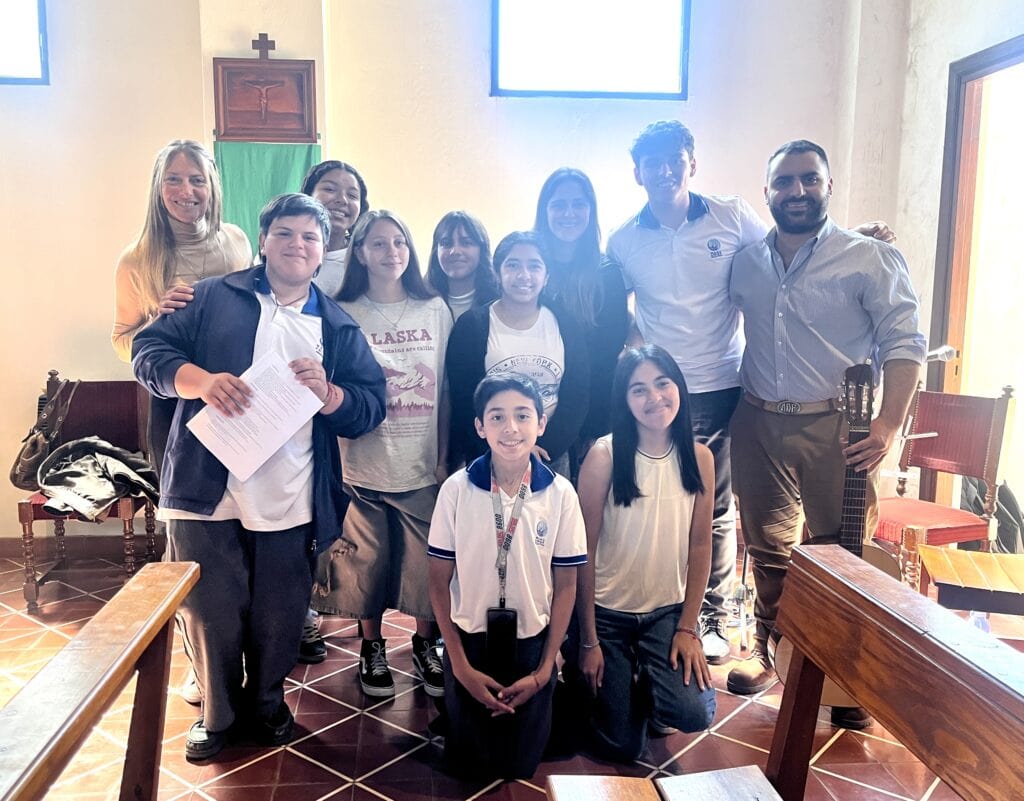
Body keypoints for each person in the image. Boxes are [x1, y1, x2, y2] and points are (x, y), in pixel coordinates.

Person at [605, 120, 897, 666]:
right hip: (659, 394)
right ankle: (659, 612)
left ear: (692, 163)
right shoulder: (622, 240)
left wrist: (857, 240)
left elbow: (789, 252)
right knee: (655, 502)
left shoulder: (732, 215)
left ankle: (715, 615)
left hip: (724, 386)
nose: (664, 170)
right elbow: (612, 309)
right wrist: (636, 358)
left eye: (675, 159)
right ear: (637, 172)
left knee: (715, 507)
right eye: (652, 162)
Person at [132, 193, 387, 761]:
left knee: (279, 614)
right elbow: (147, 351)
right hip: (205, 488)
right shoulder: (209, 297)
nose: (298, 245)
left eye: (310, 237)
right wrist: (199, 381)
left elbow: (371, 404)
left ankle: (269, 703)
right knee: (211, 610)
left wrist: (331, 394)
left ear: (324, 250)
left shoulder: (337, 325)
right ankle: (219, 715)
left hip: (290, 493)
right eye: (285, 233)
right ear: (264, 239)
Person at [726, 141, 925, 730]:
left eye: (809, 180)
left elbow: (905, 343)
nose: (797, 191)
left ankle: (847, 674)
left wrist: (889, 424)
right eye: (784, 181)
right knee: (768, 550)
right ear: (767, 191)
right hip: (758, 419)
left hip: (838, 424)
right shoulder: (746, 261)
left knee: (842, 552)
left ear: (828, 186)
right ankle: (775, 654)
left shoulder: (870, 258)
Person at [312, 210, 453, 699]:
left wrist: (443, 454)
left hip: (421, 460)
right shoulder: (341, 309)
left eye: (399, 242)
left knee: (424, 565)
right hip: (361, 459)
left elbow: (446, 387)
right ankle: (371, 647)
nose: (391, 252)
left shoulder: (434, 308)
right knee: (365, 566)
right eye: (378, 243)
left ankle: (425, 643)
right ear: (360, 253)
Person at [427, 375, 587, 780]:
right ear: (480, 426)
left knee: (519, 767)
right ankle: (456, 704)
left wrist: (546, 668)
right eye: (497, 417)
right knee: (468, 767)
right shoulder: (456, 490)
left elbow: (567, 585)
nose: (510, 428)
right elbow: (437, 582)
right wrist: (459, 666)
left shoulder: (561, 494)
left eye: (523, 415)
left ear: (541, 424)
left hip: (532, 643)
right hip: (470, 640)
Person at [573, 345, 716, 761]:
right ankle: (618, 680)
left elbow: (701, 545)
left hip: (665, 614)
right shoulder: (604, 456)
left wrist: (688, 628)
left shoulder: (700, 458)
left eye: (662, 383)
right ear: (624, 399)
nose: (654, 398)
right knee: (621, 745)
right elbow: (582, 552)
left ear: (679, 387)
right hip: (607, 615)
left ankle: (649, 679)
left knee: (692, 712)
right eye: (639, 390)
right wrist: (588, 640)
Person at [112, 140, 252, 467]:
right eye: (173, 179)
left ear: (212, 186)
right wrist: (158, 321)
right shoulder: (136, 259)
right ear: (158, 188)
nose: (186, 190)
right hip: (174, 401)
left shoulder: (236, 240)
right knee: (180, 497)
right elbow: (120, 343)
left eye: (197, 180)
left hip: (236, 392)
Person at [446, 231, 589, 477]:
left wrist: (542, 447)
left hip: (550, 456)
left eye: (534, 266)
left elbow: (578, 395)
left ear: (546, 275)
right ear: (497, 272)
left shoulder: (565, 323)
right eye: (513, 265)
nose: (524, 275)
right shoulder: (472, 326)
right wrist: (504, 447)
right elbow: (464, 401)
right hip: (490, 455)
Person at [533, 168, 629, 445]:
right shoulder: (529, 269)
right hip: (531, 412)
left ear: (591, 210)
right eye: (558, 205)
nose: (569, 213)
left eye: (578, 204)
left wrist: (591, 430)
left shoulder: (607, 274)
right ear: (545, 211)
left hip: (590, 417)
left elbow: (606, 359)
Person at [300, 160, 369, 297]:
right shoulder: (284, 249)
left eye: (352, 195)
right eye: (330, 189)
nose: (342, 200)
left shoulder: (365, 260)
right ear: (308, 195)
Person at [426, 210, 499, 320]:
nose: (455, 251)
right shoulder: (420, 300)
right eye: (446, 243)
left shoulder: (500, 302)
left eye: (466, 243)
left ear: (482, 249)